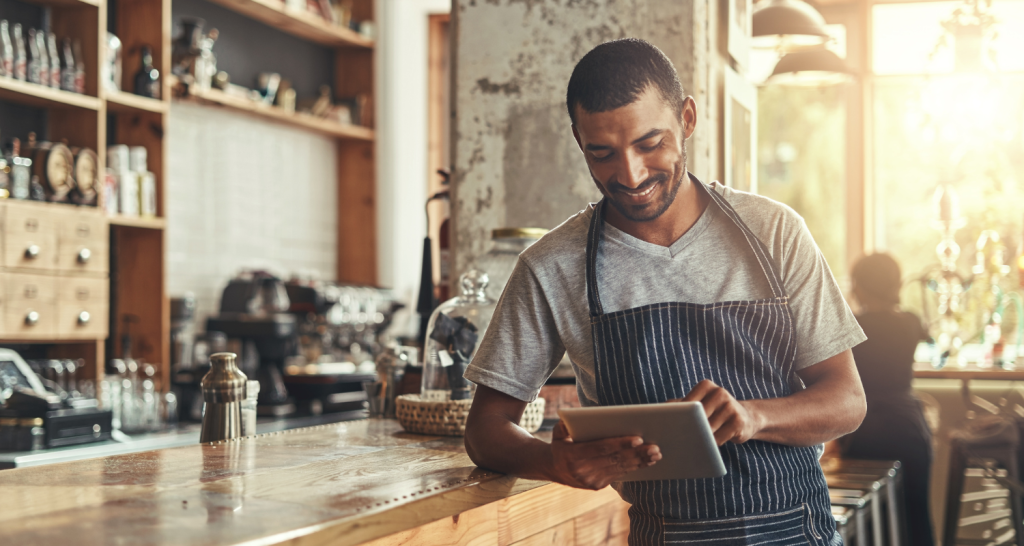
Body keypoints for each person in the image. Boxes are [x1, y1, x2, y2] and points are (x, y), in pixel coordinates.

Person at [463, 38, 867, 545]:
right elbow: (485, 428)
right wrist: (552, 461)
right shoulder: (553, 266)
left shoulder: (775, 233)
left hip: (794, 530)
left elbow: (847, 401)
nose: (629, 175)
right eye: (602, 153)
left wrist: (753, 415)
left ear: (688, 119)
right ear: (578, 140)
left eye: (650, 143)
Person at [843, 253, 934, 546]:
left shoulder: (850, 325)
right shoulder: (910, 322)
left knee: (873, 519)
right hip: (908, 426)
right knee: (916, 509)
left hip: (864, 427)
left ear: (859, 287)